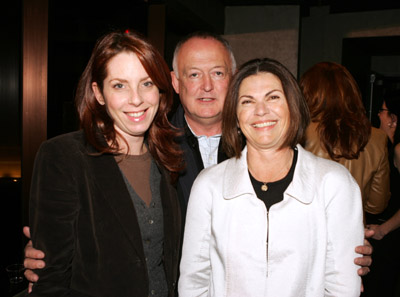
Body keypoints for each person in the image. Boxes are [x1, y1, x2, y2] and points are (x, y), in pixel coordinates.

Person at [23, 31, 373, 289]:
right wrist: (48, 252)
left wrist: (338, 244)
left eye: (218, 74)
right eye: (193, 74)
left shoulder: (168, 151)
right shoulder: (164, 146)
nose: (206, 86)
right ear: (174, 83)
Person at [178, 57, 364, 296]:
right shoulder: (209, 185)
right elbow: (193, 283)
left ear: (293, 105)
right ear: (235, 115)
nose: (261, 110)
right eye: (247, 101)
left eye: (273, 97)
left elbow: (342, 288)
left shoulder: (334, 184)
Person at [27, 30, 183, 296]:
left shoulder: (167, 160)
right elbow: (50, 280)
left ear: (160, 88)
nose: (136, 99)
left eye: (146, 83)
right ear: (99, 93)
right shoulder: (63, 157)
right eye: (119, 85)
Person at [300, 62, 390, 217]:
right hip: (352, 235)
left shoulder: (297, 133)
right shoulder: (377, 138)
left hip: (307, 231)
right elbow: (376, 205)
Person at [362, 89, 400, 297]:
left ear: (393, 119)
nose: (378, 115)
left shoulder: (399, 149)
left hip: (389, 235)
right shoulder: (388, 147)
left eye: (382, 111)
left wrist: (383, 230)